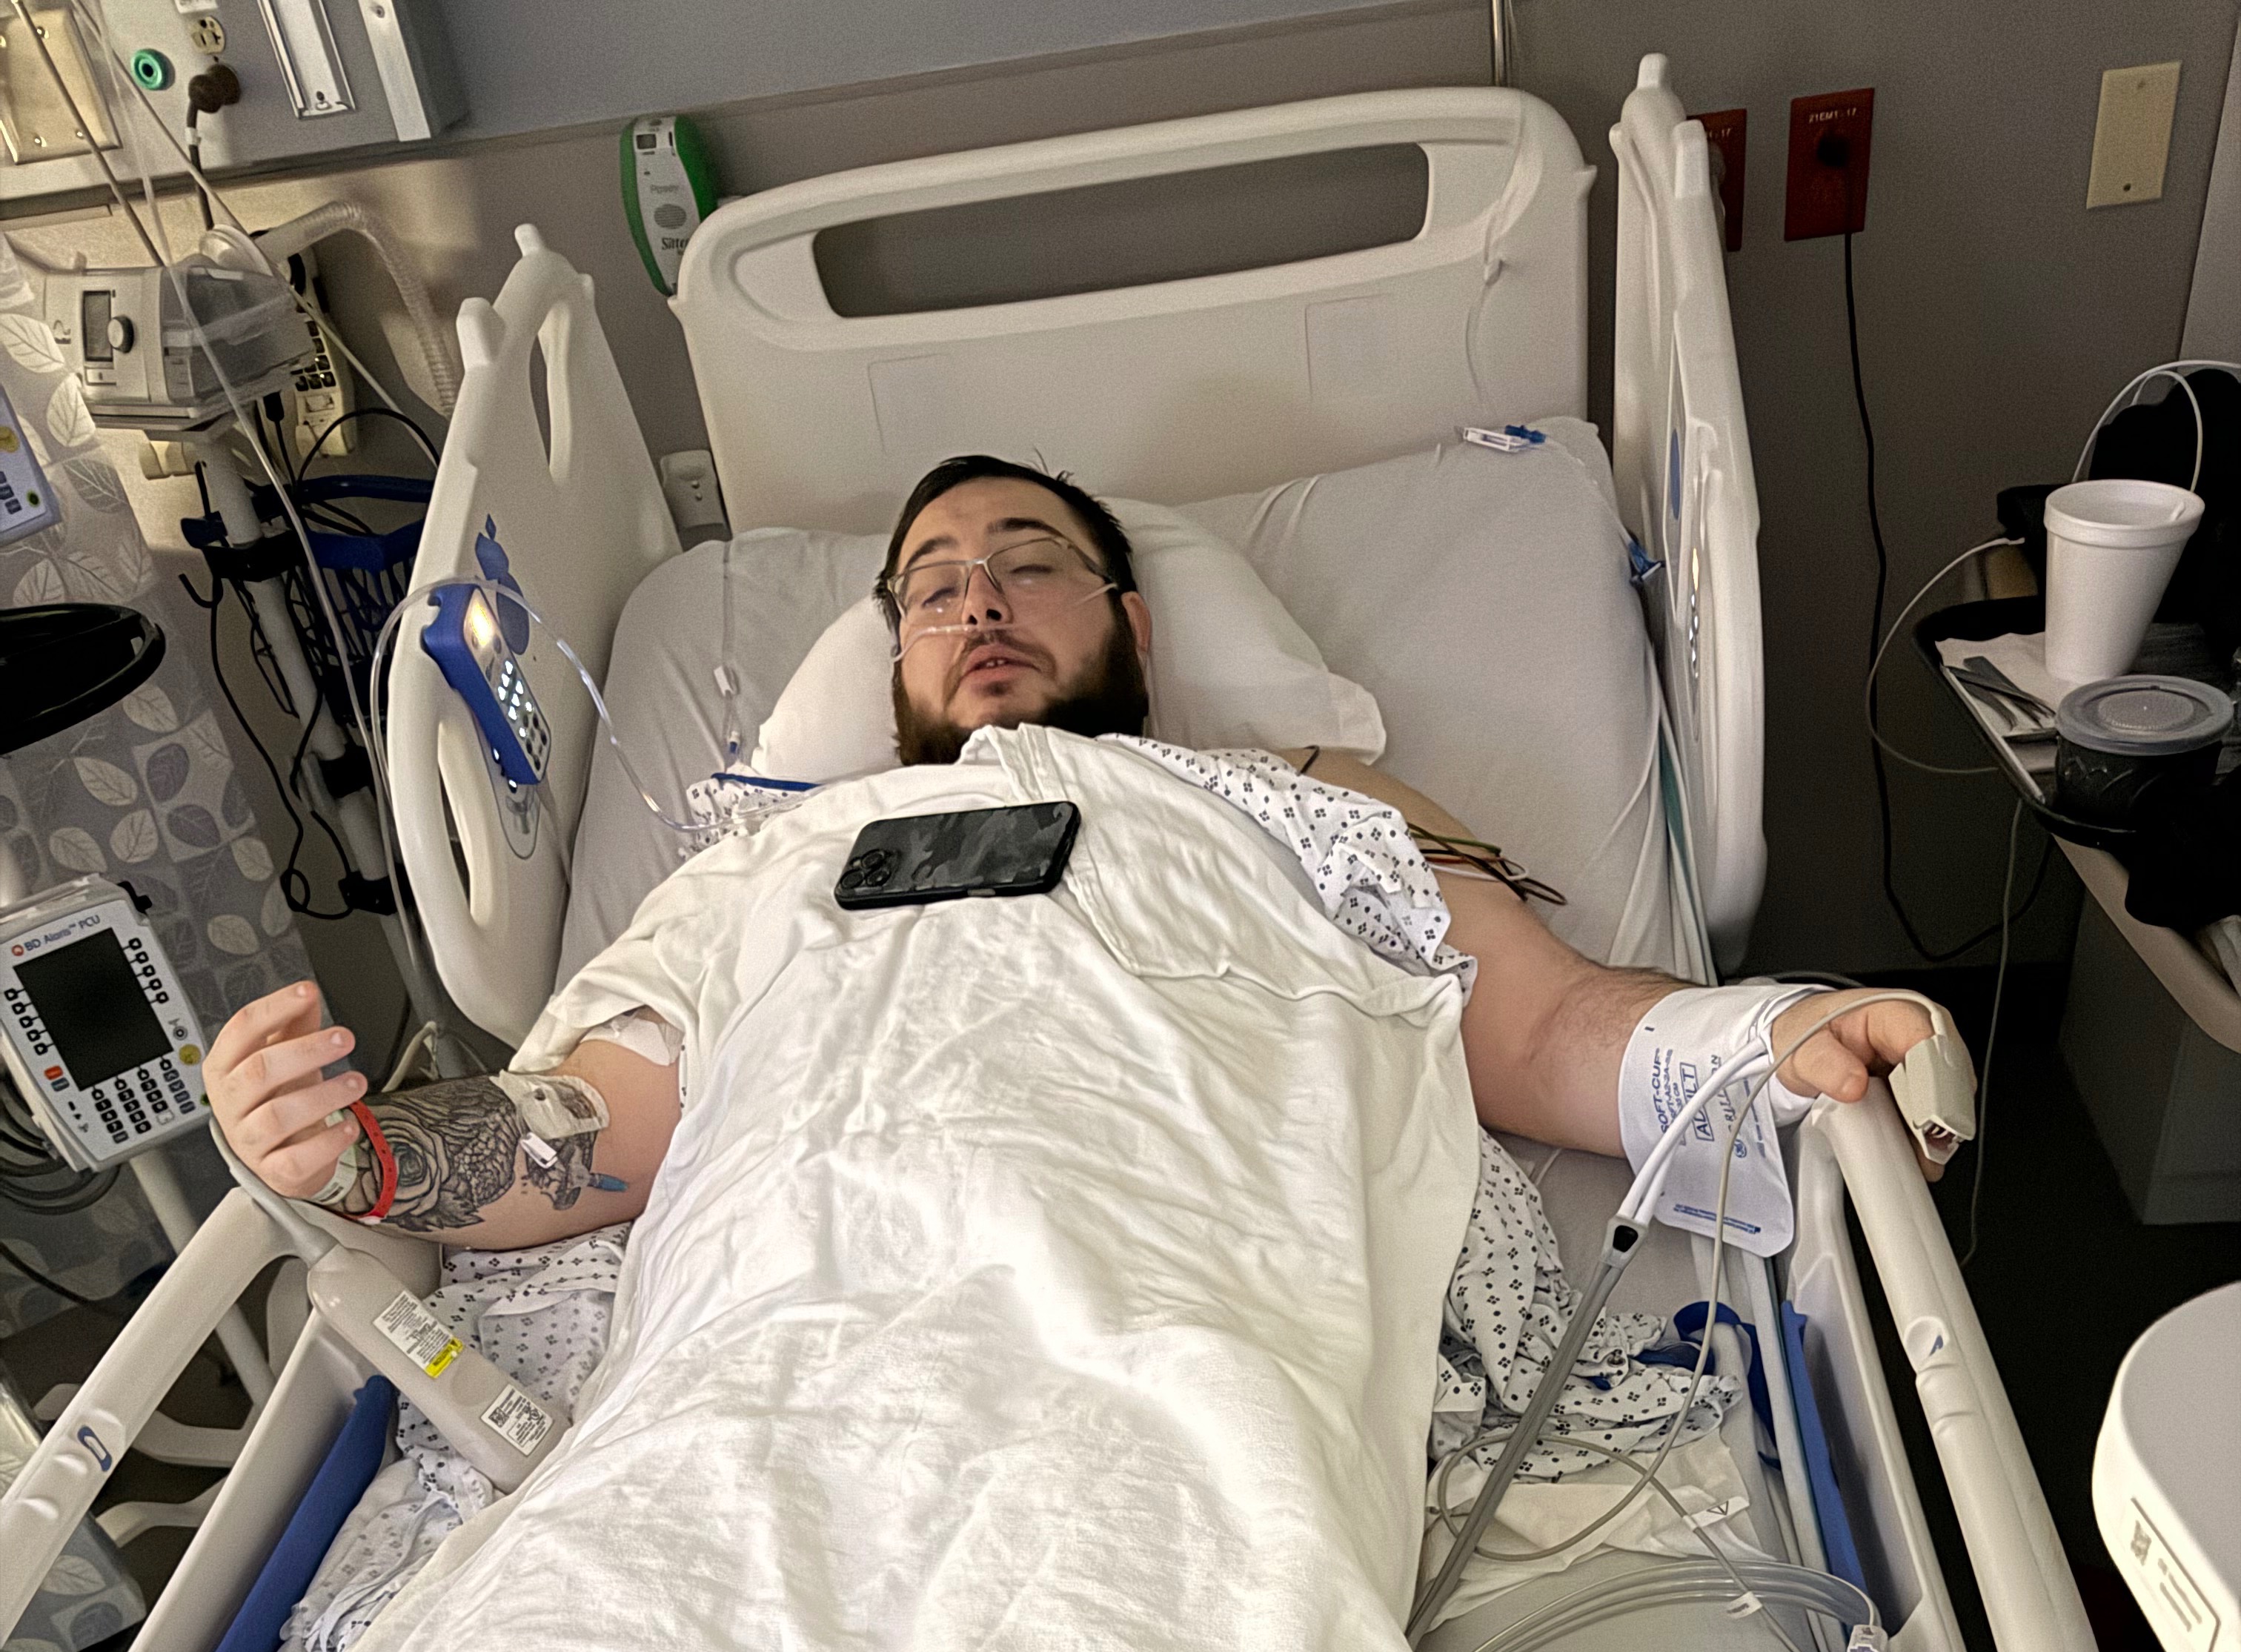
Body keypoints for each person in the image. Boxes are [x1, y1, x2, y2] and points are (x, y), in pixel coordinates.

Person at [207, 454, 1946, 1229]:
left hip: (1166, 1275)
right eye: (932, 586)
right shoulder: (768, 864)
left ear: (1128, 617)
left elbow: (1547, 1031)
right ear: (890, 656)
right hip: (791, 1313)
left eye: (1028, 562)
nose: (978, 599)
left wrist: (1762, 1046)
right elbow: (598, 1136)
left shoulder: (1294, 796)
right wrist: (360, 1161)